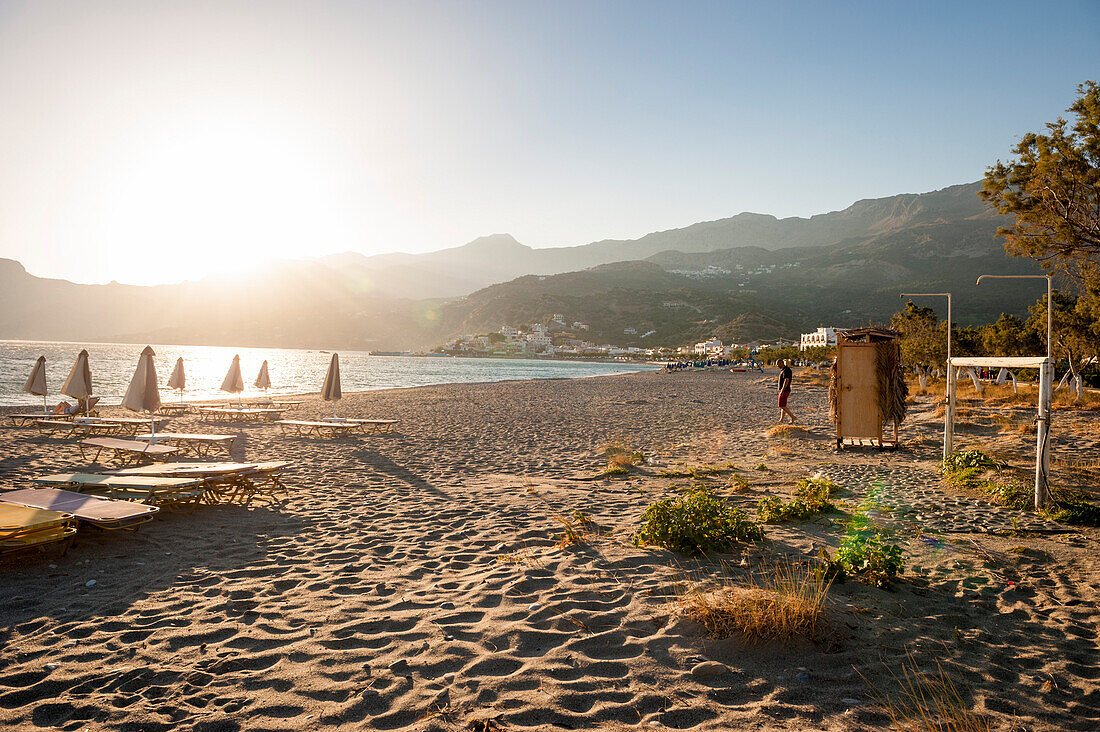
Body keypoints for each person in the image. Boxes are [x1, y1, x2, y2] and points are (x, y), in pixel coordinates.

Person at [776, 359, 796, 424]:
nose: (777, 366)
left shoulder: (786, 370)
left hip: (785, 390)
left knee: (781, 405)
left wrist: (782, 390)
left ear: (781, 363)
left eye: (778, 364)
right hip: (784, 390)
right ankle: (781, 420)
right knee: (783, 405)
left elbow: (786, 380)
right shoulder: (784, 370)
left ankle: (793, 417)